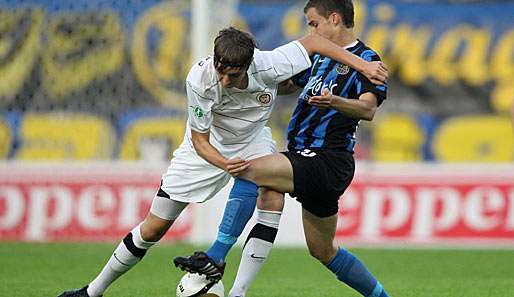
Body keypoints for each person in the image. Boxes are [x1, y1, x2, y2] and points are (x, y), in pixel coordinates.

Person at [57, 24, 387, 297]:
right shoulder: (199, 81)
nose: (225, 80)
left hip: (252, 140)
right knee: (152, 229)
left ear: (250, 65)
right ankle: (92, 292)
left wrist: (363, 65)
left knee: (268, 188)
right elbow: (200, 141)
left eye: (233, 75)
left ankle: (235, 287)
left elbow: (315, 42)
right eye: (221, 72)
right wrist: (225, 162)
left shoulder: (270, 64)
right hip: (206, 147)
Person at [175, 1, 391, 297]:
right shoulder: (318, 59)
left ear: (335, 19)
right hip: (306, 157)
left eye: (314, 24)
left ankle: (216, 257)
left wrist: (335, 102)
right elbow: (287, 83)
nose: (310, 31)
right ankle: (382, 296)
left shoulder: (367, 59)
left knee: (247, 169)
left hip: (327, 158)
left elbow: (367, 109)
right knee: (323, 250)